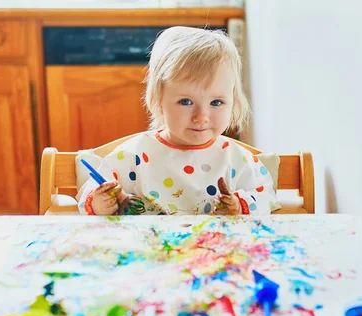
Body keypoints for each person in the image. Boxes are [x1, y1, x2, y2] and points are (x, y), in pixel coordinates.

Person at [78, 26, 277, 216]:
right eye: (186, 101)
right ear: (158, 100)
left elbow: (265, 196)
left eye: (216, 102)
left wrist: (239, 206)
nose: (201, 117)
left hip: (216, 247)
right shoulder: (134, 154)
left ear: (233, 102)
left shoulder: (236, 159)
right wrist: (100, 203)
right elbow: (95, 189)